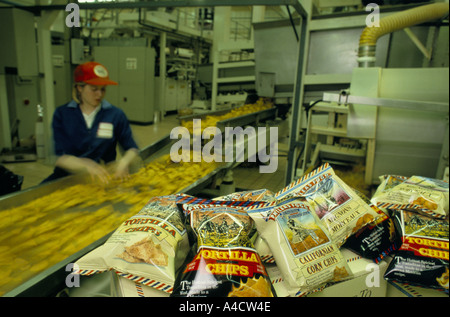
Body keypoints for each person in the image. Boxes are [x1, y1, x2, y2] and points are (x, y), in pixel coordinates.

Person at [42, 61, 140, 184]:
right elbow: (59, 157)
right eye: (94, 89)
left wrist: (124, 162)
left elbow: (132, 148)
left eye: (103, 89)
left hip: (103, 178)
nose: (99, 94)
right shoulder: (63, 114)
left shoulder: (115, 114)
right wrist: (84, 165)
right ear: (79, 88)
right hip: (67, 178)